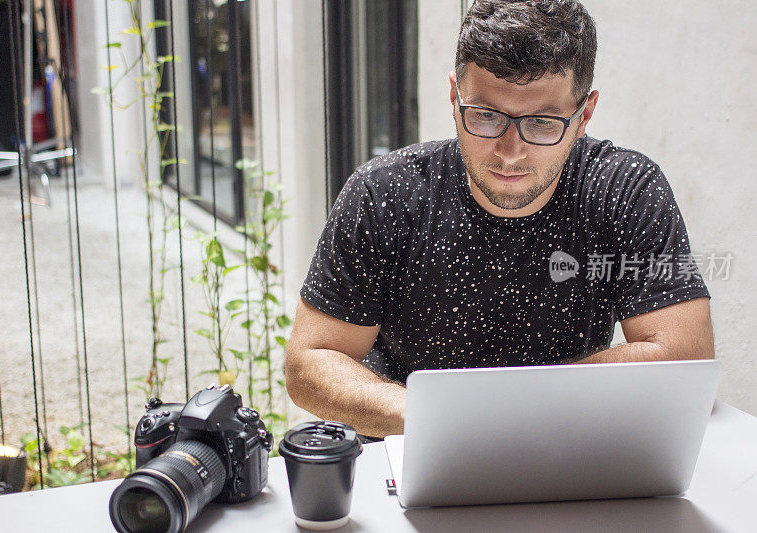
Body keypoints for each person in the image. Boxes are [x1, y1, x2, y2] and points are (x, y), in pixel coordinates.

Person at [285, 0, 714, 440]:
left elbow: (683, 356)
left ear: (584, 115)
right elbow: (309, 362)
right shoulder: (384, 194)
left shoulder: (624, 190)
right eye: (486, 116)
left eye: (543, 123)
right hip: (409, 447)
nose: (510, 152)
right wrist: (432, 415)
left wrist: (503, 409)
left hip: (566, 447)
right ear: (455, 98)